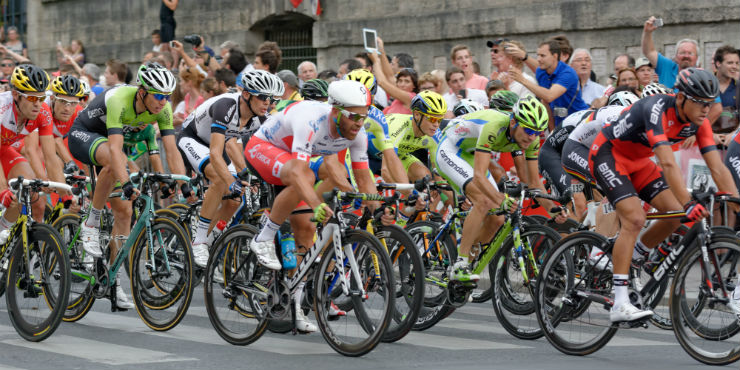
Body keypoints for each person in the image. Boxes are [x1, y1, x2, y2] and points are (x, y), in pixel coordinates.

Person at [589, 67, 740, 322]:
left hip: (638, 162)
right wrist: (689, 202)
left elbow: (717, 167)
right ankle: (620, 302)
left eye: (709, 103)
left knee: (675, 215)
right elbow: (668, 164)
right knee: (635, 219)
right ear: (681, 97)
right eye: (700, 102)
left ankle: (633, 256)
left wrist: (735, 201)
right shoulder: (656, 109)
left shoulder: (698, 123)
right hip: (608, 154)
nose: (706, 109)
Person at [244, 80, 377, 332]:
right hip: (262, 149)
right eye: (354, 116)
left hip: (291, 162)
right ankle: (264, 236)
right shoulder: (311, 120)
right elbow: (299, 172)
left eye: (364, 115)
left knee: (306, 231)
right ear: (336, 111)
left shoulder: (357, 133)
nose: (359, 122)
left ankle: (294, 304)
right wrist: (317, 203)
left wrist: (377, 207)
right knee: (304, 177)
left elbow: (361, 177)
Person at [67, 62, 189, 309]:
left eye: (167, 96)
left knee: (125, 212)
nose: (163, 101)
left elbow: (171, 149)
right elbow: (114, 149)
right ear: (142, 91)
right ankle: (91, 221)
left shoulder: (162, 110)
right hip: (85, 134)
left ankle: (113, 282)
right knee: (114, 164)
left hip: (110, 146)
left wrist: (182, 182)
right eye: (157, 95)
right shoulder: (119, 99)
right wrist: (125, 183)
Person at [433, 96, 559, 282]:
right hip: (449, 149)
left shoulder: (531, 139)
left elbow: (534, 182)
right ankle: (460, 262)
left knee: (499, 217)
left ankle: (471, 256)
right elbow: (479, 176)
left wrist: (552, 209)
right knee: (484, 201)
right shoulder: (494, 125)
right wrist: (502, 199)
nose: (532, 137)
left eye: (538, 132)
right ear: (514, 122)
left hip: (470, 154)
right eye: (529, 130)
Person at [178, 70, 283, 267]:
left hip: (218, 145)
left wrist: (251, 176)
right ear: (246, 94)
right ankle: (199, 241)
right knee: (220, 179)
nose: (268, 103)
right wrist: (230, 180)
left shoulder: (260, 118)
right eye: (263, 98)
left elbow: (238, 147)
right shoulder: (226, 106)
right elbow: (216, 152)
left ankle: (210, 241)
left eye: (272, 99)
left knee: (235, 199)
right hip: (192, 138)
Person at [0, 65, 67, 244]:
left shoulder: (43, 112)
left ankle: (3, 233)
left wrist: (65, 193)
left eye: (41, 97)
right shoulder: (2, 108)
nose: (37, 103)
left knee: (25, 188)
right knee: (5, 194)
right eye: (31, 98)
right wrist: (2, 191)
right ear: (16, 95)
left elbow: (50, 156)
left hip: (4, 149)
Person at [509, 39, 588, 128]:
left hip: (580, 122)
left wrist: (522, 80)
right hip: (559, 125)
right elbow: (545, 102)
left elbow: (549, 96)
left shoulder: (568, 73)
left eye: (542, 56)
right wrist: (552, 131)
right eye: (538, 55)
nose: (538, 59)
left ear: (554, 56)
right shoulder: (541, 72)